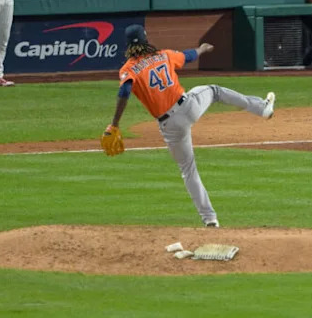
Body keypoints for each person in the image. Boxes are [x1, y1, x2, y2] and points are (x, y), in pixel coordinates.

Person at [101, 23, 276, 228]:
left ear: (127, 45)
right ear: (146, 38)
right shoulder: (163, 55)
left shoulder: (128, 69)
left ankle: (210, 219)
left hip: (169, 126)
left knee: (188, 170)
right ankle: (261, 108)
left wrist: (114, 124)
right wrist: (202, 49)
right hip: (188, 107)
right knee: (214, 91)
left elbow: (124, 92)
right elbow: (188, 56)